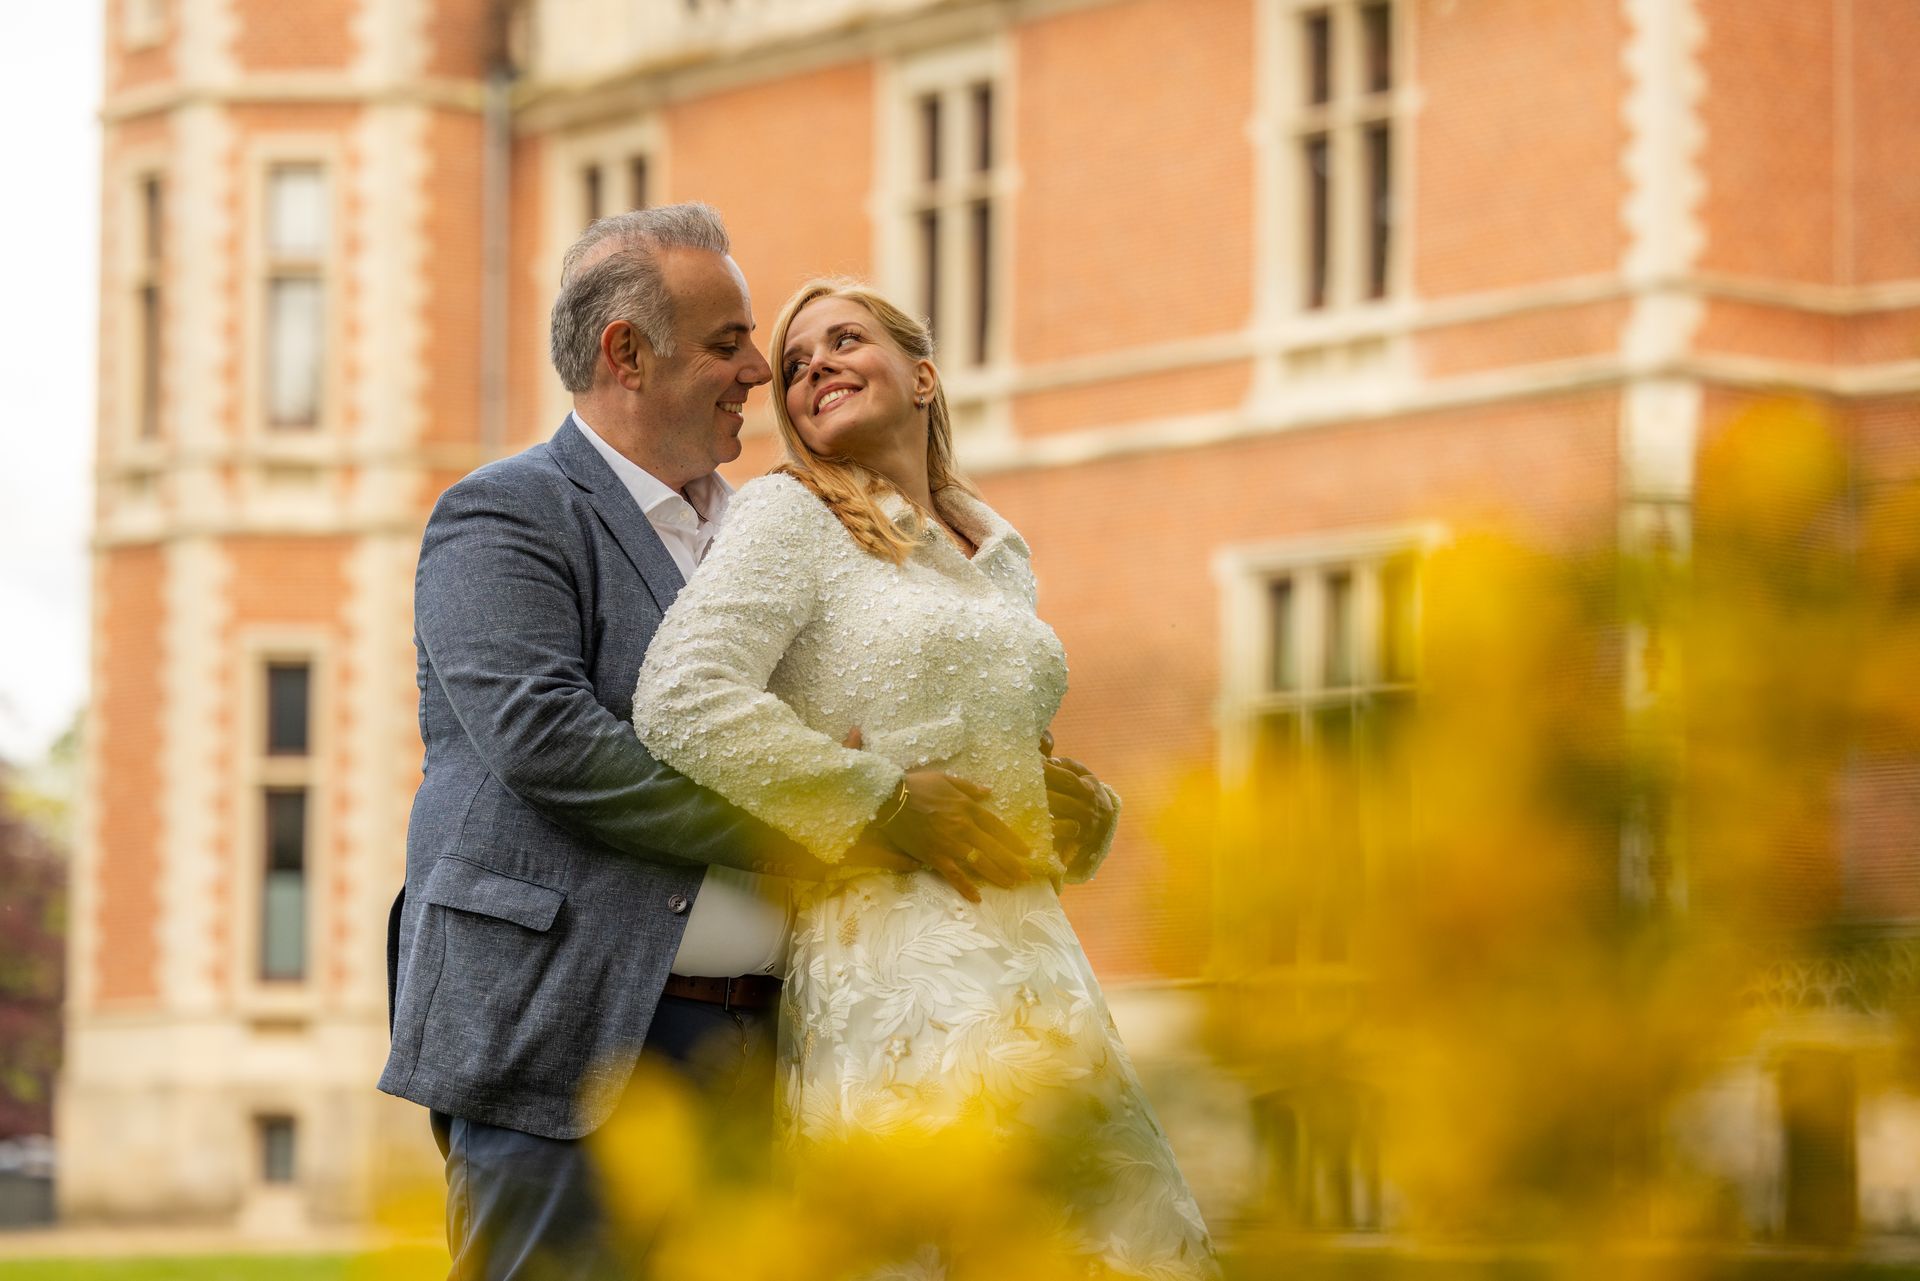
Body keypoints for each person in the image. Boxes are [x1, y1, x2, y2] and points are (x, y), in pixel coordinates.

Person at [379, 205, 1114, 1279]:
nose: (758, 373)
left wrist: (1025, 787)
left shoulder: (790, 526)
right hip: (571, 1028)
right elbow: (546, 741)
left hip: (776, 1042)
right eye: (730, 343)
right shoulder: (505, 514)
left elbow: (873, 726)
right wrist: (849, 823)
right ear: (628, 352)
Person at [632, 279, 1218, 1276]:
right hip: (891, 957)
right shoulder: (791, 517)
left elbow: (1004, 748)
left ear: (924, 376)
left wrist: (1085, 810)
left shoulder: (996, 550)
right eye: (797, 360)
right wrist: (880, 798)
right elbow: (679, 697)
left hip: (1031, 954)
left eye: (845, 339)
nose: (814, 363)